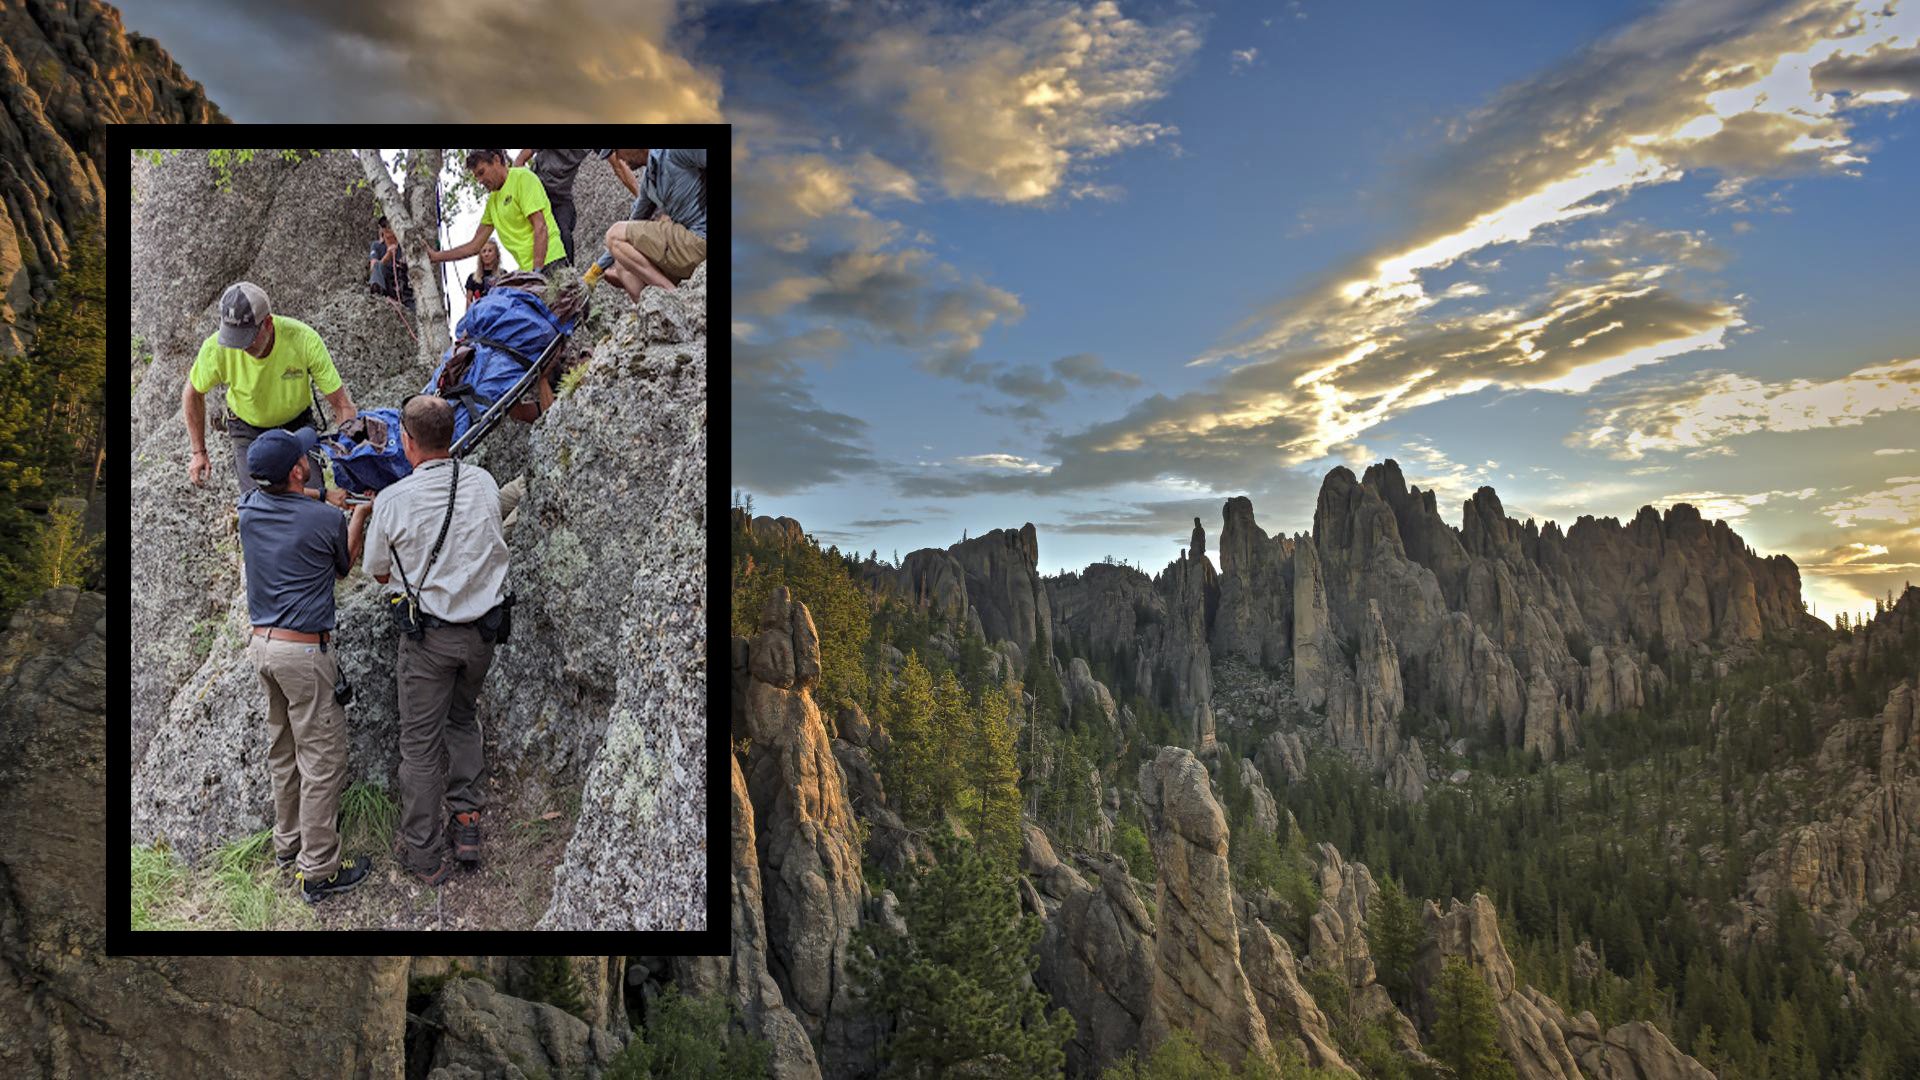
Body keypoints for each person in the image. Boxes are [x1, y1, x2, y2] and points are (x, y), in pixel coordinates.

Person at [362, 396, 511, 885]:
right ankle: (466, 822)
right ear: (451, 435)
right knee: (463, 720)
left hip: (430, 641)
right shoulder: (483, 482)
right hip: (483, 635)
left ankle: (424, 856)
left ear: (407, 442)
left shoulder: (393, 500)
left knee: (420, 747)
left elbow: (378, 572)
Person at [237, 427, 376, 903]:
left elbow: (288, 499)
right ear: (299, 470)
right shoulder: (325, 521)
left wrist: (320, 495)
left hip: (263, 649)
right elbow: (344, 566)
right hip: (303, 654)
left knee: (283, 751)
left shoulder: (248, 510)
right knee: (322, 761)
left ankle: (288, 843)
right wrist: (358, 514)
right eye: (303, 457)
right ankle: (318, 870)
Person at [183, 281, 358, 500]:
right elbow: (193, 393)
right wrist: (199, 452)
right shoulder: (216, 349)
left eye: (247, 339)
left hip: (296, 429)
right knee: (258, 504)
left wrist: (351, 458)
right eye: (235, 339)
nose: (242, 348)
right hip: (248, 430)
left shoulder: (303, 340)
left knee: (307, 502)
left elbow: (341, 404)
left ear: (268, 323)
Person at [428, 149, 567, 278]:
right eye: (476, 177)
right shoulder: (492, 202)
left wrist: (537, 272)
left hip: (550, 263)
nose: (480, 181)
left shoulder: (522, 178)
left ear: (496, 160)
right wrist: (436, 257)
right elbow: (474, 246)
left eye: (482, 172)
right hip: (529, 272)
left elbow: (540, 226)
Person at [591, 148, 707, 300]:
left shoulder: (674, 152)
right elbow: (632, 224)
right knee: (623, 266)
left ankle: (675, 299)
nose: (618, 158)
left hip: (701, 237)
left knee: (615, 234)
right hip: (686, 245)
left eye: (617, 151)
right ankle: (660, 311)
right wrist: (596, 270)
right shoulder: (649, 181)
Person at [511, 149, 591, 265]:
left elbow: (614, 159)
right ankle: (537, 270)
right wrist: (521, 190)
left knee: (564, 233)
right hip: (539, 193)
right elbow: (520, 161)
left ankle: (569, 271)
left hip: (561, 198)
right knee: (535, 234)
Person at [367, 215, 415, 311]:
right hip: (386, 281)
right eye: (384, 226)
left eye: (389, 225)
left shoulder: (405, 246)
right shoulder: (377, 245)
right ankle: (377, 291)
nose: (387, 229)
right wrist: (388, 255)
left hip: (403, 285)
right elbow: (373, 267)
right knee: (377, 265)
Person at [464, 238, 505, 303]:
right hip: (480, 308)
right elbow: (469, 301)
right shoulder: (473, 278)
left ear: (496, 254)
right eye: (484, 251)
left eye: (490, 251)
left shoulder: (503, 275)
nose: (486, 254)